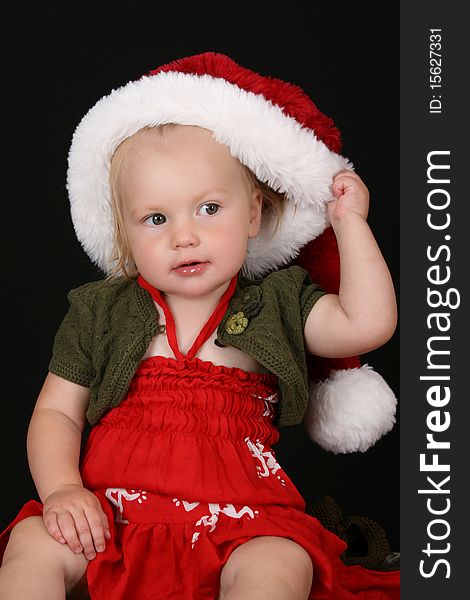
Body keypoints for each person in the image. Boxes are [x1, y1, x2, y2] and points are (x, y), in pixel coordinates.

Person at [0, 52, 399, 599]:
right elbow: (55, 412)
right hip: (113, 517)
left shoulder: (278, 303)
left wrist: (350, 224)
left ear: (254, 213)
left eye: (209, 209)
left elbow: (365, 324)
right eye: (156, 219)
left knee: (280, 561)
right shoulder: (102, 310)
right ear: (125, 232)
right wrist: (63, 490)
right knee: (32, 545)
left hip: (241, 522)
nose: (183, 236)